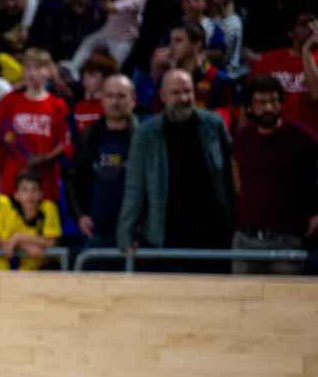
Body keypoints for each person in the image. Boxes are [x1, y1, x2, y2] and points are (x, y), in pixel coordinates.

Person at [117, 69, 234, 265]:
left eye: (188, 91)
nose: (184, 98)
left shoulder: (213, 124)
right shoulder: (146, 133)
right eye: (176, 93)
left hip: (214, 235)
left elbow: (231, 176)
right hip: (166, 237)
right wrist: (125, 234)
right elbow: (134, 187)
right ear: (162, 96)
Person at [231, 76, 318, 275]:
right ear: (249, 108)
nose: (269, 107)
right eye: (261, 103)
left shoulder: (301, 137)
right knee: (240, 301)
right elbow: (236, 178)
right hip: (245, 239)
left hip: (286, 239)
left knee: (285, 302)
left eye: (274, 101)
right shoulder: (242, 138)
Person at [0, 48, 69, 203]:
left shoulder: (58, 105)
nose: (32, 73)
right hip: (13, 179)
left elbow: (64, 144)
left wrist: (45, 159)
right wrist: (9, 138)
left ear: (48, 71)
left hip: (44, 182)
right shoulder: (11, 100)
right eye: (28, 68)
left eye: (38, 68)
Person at [69, 73, 136, 251]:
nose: (115, 102)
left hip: (135, 234)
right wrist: (80, 215)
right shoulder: (89, 136)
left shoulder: (144, 137)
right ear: (102, 99)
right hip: (96, 231)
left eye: (121, 96)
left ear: (133, 99)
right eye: (109, 96)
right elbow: (73, 179)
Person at [65, 0, 151, 77]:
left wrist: (109, 6)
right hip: (107, 33)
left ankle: (110, 84)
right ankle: (74, 67)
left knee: (114, 67)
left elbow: (122, 5)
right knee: (89, 41)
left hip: (122, 40)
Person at [246, 14, 318, 134]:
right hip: (273, 132)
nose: (310, 28)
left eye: (313, 23)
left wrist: (307, 51)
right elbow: (249, 100)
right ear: (290, 32)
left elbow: (316, 94)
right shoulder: (268, 60)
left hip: (310, 136)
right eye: (303, 24)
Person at [0, 169, 61, 270]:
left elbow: (50, 241)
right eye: (25, 190)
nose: (30, 195)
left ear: (41, 193)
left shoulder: (48, 207)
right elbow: (5, 243)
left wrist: (18, 238)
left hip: (47, 270)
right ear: (16, 195)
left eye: (34, 190)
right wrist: (25, 246)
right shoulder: (11, 212)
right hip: (22, 271)